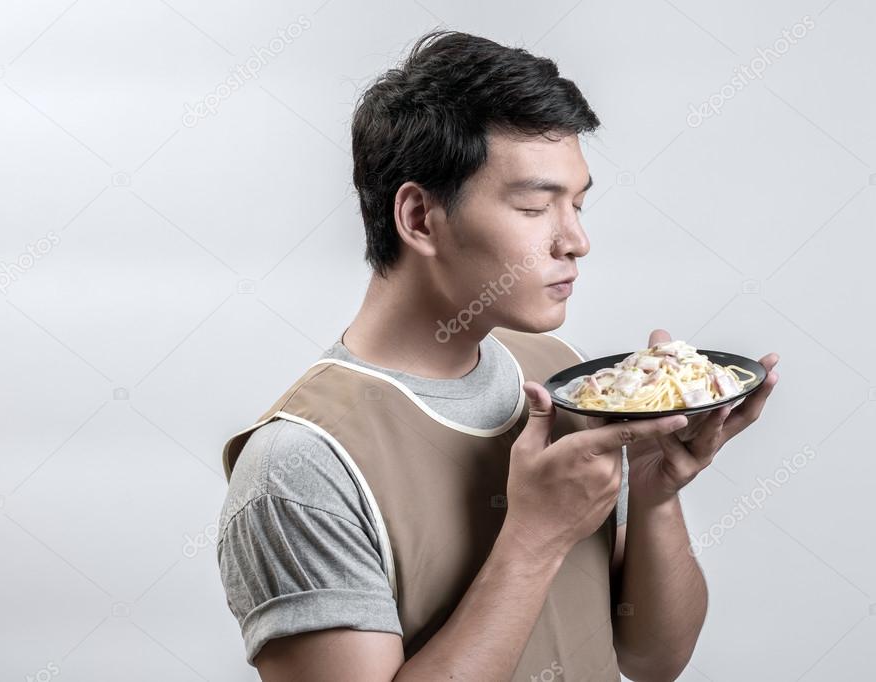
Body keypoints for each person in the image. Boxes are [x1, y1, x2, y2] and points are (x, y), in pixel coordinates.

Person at [217, 29, 779, 681]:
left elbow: (655, 658)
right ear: (420, 218)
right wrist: (533, 539)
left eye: (578, 204)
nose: (576, 240)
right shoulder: (298, 468)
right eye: (536, 206)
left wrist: (653, 492)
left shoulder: (557, 373)